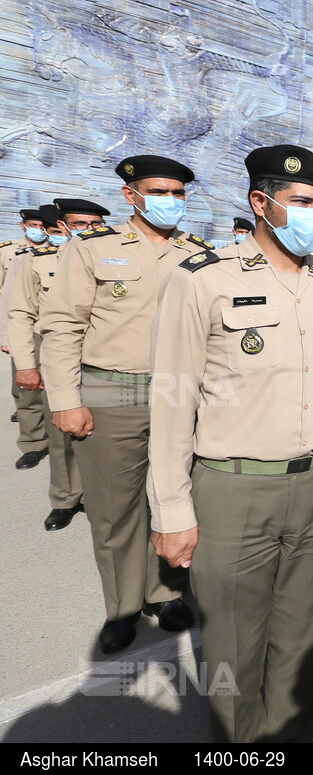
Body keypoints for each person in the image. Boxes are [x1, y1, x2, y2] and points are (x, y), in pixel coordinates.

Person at [148, 144, 313, 743]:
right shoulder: (203, 281)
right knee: (232, 649)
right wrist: (170, 509)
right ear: (261, 204)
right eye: (302, 203)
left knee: (304, 638)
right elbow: (171, 405)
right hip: (233, 489)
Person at [40, 154, 210, 653]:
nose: (171, 201)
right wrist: (66, 399)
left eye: (179, 193)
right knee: (115, 510)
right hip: (112, 391)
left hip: (181, 394)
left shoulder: (199, 253)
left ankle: (165, 594)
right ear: (130, 195)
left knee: (174, 498)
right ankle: (122, 607)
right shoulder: (93, 249)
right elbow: (62, 326)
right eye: (160, 192)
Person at [9, 199, 108, 531]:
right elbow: (20, 314)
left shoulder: (111, 258)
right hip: (53, 349)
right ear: (62, 227)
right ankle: (66, 498)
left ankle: (101, 497)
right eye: (80, 224)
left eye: (94, 224)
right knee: (62, 429)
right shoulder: (35, 261)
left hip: (100, 353)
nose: (88, 230)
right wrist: (25, 363)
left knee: (102, 429)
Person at [3, 207, 52, 468]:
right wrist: (6, 337)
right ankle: (33, 442)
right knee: (28, 394)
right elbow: (9, 302)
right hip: (33, 332)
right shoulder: (21, 256)